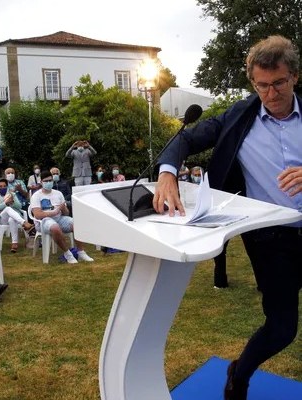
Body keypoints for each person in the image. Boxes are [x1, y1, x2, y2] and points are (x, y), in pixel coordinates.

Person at [153, 35, 302, 400]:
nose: (270, 94)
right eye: (261, 85)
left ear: (295, 76)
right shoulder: (239, 116)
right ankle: (240, 373)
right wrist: (167, 172)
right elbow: (185, 139)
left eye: (279, 83)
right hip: (272, 238)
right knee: (282, 329)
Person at [30, 171, 94, 264]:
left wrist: (63, 208)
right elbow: (37, 215)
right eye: (46, 181)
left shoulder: (58, 193)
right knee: (55, 227)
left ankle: (81, 252)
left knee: (76, 223)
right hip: (43, 221)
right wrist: (54, 212)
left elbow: (66, 213)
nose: (48, 183)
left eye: (50, 180)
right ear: (41, 182)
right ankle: (68, 254)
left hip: (59, 218)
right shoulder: (36, 195)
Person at [0, 178, 33, 253]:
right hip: (2, 218)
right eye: (0, 186)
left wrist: (12, 202)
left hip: (14, 217)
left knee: (11, 219)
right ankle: (24, 223)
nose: (3, 188)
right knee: (7, 208)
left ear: (7, 186)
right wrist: (5, 203)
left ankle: (14, 243)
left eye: (4, 186)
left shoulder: (12, 194)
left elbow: (19, 206)